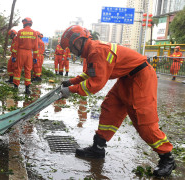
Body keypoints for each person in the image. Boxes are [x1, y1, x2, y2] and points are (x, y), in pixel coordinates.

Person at [59, 25, 175, 177]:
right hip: (127, 78)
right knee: (110, 107)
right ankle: (98, 148)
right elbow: (91, 73)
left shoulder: (97, 51)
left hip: (141, 77)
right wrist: (72, 81)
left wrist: (71, 90)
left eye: (70, 47)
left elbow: (95, 84)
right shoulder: (92, 51)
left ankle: (167, 157)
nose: (71, 51)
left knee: (143, 121)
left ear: (78, 42)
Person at [11, 17, 38, 94]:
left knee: (17, 69)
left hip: (20, 53)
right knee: (28, 70)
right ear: (31, 24)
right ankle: (27, 89)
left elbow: (16, 45)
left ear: (24, 23)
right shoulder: (34, 33)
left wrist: (14, 55)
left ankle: (16, 87)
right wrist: (35, 57)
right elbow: (36, 47)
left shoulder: (20, 32)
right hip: (29, 54)